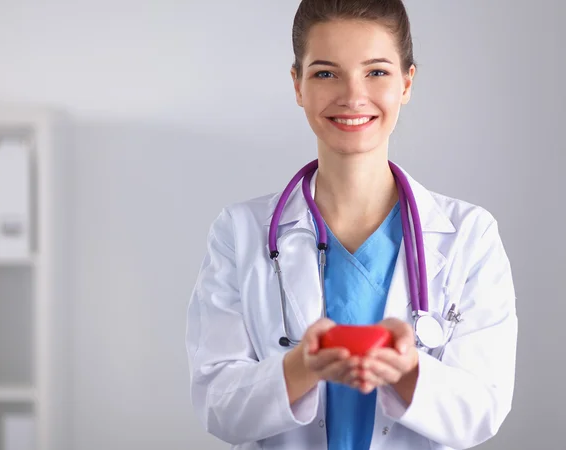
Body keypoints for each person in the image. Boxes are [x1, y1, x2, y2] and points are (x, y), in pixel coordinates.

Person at [185, 0, 518, 449]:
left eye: (376, 72)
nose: (352, 95)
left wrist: (409, 373)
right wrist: (302, 367)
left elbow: (482, 412)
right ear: (297, 85)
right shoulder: (239, 232)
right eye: (325, 73)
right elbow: (218, 407)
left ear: (407, 82)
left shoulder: (470, 236)